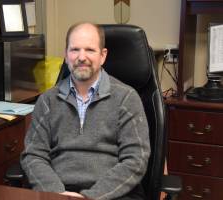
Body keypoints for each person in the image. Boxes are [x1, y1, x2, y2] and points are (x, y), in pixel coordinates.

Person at [21, 22, 150, 200]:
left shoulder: (126, 98)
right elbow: (33, 155)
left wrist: (91, 197)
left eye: (90, 50)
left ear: (102, 55)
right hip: (59, 190)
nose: (81, 57)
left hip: (112, 194)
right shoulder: (47, 101)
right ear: (66, 55)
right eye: (75, 50)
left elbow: (136, 160)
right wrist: (57, 193)